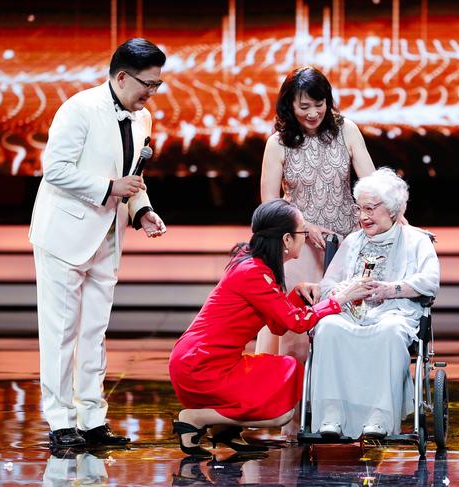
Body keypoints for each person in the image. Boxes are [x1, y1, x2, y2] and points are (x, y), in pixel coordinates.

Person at [29, 38, 167, 449]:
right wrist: (109, 187)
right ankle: (60, 423)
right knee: (61, 333)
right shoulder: (79, 109)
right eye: (148, 83)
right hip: (65, 235)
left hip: (108, 234)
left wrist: (142, 211)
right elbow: (54, 170)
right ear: (122, 77)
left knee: (94, 332)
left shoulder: (141, 118)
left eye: (158, 85)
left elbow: (133, 176)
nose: (151, 92)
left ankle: (91, 421)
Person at [168, 199, 372, 458]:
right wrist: (339, 300)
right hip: (201, 365)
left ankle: (224, 427)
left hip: (205, 361)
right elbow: (297, 323)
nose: (306, 237)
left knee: (283, 370)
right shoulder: (253, 272)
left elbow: (277, 325)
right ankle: (196, 418)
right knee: (283, 393)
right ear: (287, 240)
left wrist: (297, 294)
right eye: (302, 233)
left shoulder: (257, 266)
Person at [255, 66, 376, 364]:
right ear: (289, 105)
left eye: (318, 105)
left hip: (346, 241)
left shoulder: (346, 129)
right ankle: (292, 406)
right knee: (296, 328)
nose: (313, 113)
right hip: (298, 244)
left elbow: (372, 183)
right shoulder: (278, 143)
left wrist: (396, 217)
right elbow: (269, 202)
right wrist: (306, 226)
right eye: (304, 106)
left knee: (345, 322)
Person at [309, 168, 440, 439]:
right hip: (351, 312)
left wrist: (390, 290)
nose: (362, 217)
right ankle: (332, 413)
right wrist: (347, 290)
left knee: (390, 333)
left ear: (392, 209)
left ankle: (379, 416)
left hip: (394, 312)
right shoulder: (352, 242)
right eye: (359, 209)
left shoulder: (417, 240)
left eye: (370, 209)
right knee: (328, 328)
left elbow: (430, 281)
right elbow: (327, 286)